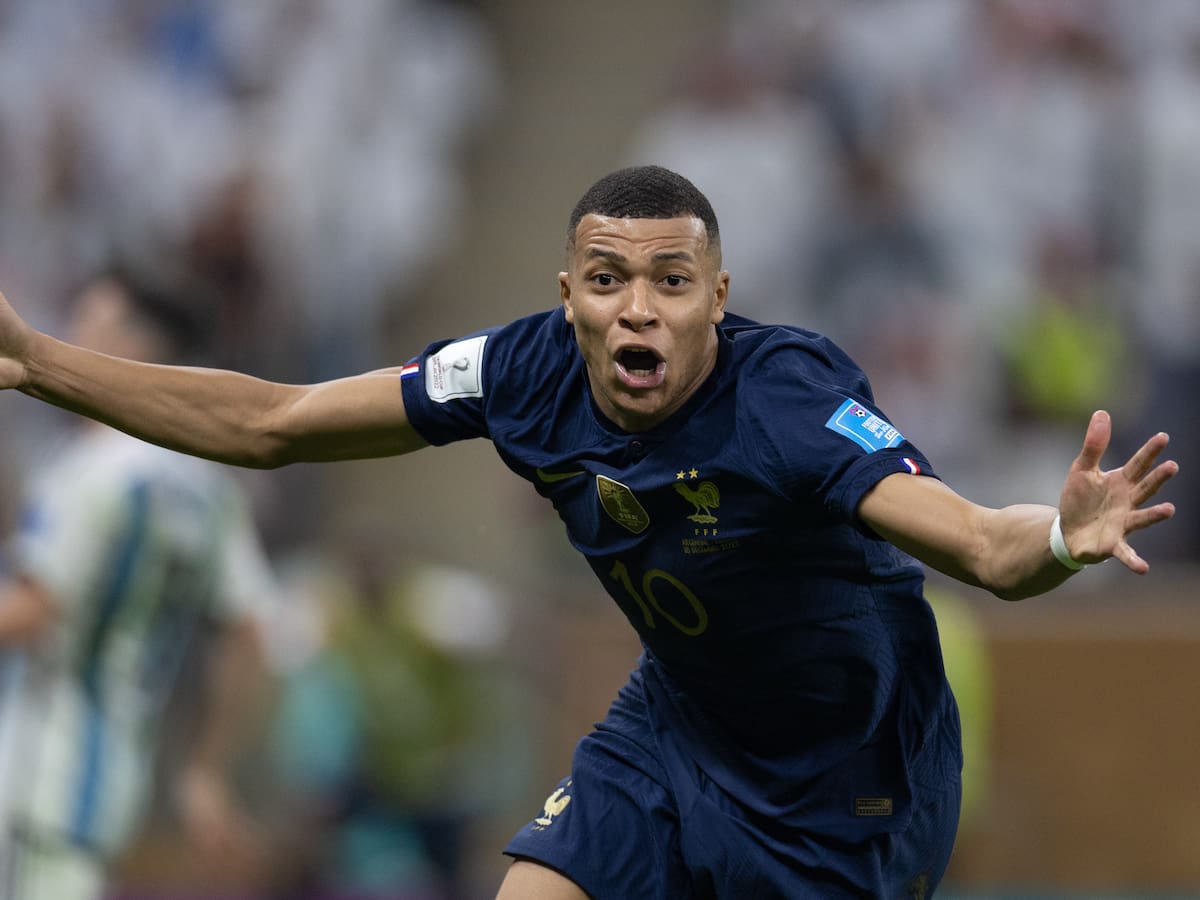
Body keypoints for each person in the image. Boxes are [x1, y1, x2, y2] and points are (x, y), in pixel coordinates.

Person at [0, 166, 1179, 898]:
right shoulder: (519, 371)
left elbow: (977, 545)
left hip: (850, 775)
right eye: (607, 279)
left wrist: (1060, 539)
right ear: (567, 295)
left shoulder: (786, 401)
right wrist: (40, 363)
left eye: (672, 282)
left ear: (719, 299)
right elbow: (272, 423)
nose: (637, 310)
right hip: (678, 726)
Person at [0, 269, 276, 900]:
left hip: (42, 778)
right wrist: (207, 768)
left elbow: (34, 610)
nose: (66, 335)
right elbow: (252, 631)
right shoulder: (208, 486)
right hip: (112, 778)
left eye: (87, 321)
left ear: (132, 346)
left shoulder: (93, 471)